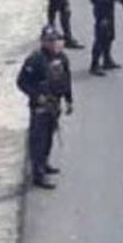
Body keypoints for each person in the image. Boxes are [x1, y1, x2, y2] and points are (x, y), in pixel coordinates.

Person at [16, 26, 73, 189]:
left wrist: (69, 100)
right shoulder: (35, 60)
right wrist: (36, 96)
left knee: (49, 137)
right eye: (50, 41)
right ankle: (38, 174)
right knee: (38, 140)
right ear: (43, 42)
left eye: (56, 40)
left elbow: (66, 80)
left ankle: (45, 163)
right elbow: (22, 82)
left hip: (55, 104)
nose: (54, 44)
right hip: (40, 107)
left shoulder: (62, 58)